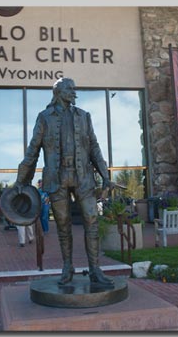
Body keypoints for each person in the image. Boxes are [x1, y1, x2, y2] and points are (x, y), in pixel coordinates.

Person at [15, 77, 114, 286]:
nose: (74, 92)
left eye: (74, 88)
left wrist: (105, 175)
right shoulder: (44, 118)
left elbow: (94, 148)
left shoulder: (84, 116)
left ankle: (95, 269)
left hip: (83, 177)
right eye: (69, 88)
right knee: (63, 224)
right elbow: (33, 150)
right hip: (56, 178)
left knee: (91, 219)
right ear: (58, 92)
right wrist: (21, 180)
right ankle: (67, 267)